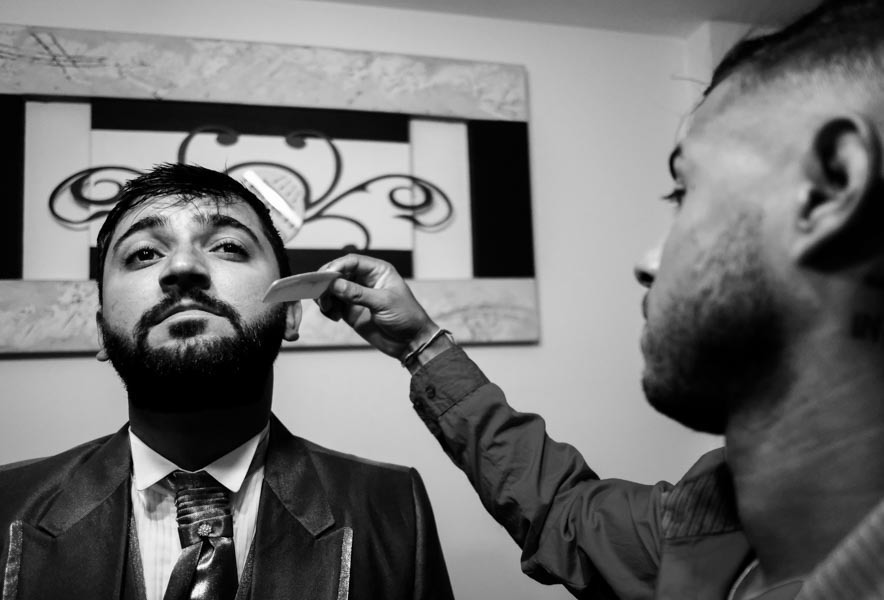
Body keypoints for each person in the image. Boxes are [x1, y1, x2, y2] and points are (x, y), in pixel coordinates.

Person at [315, 1, 884, 598]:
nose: (649, 263)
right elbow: (564, 513)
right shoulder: (707, 523)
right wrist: (420, 344)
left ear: (832, 185)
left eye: (684, 191)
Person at [0, 163, 454, 600]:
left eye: (228, 246)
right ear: (102, 329)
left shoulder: (394, 507)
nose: (182, 268)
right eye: (144, 253)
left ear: (291, 313)